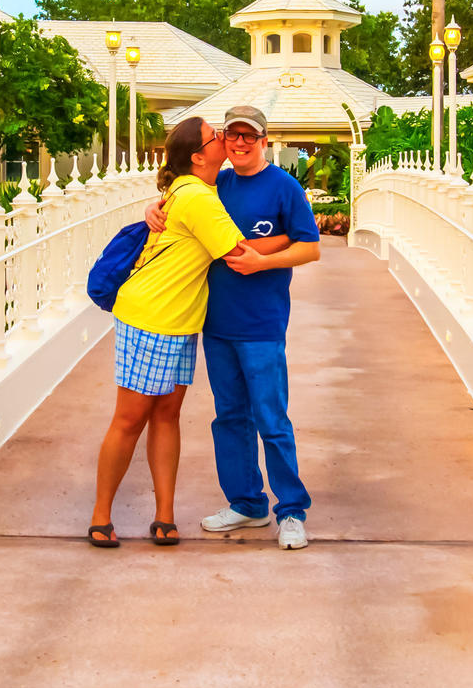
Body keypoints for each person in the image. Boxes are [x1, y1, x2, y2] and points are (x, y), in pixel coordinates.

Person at [87, 116, 279, 548]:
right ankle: (101, 515)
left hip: (179, 319)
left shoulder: (198, 190)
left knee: (167, 415)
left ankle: (165, 515)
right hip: (151, 315)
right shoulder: (197, 197)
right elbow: (236, 251)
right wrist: (295, 240)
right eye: (218, 137)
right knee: (130, 418)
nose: (228, 140)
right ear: (199, 156)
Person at [146, 105, 321, 550]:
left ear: (265, 141)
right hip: (216, 323)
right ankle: (247, 503)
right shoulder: (213, 184)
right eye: (233, 136)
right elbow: (176, 208)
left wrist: (268, 258)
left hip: (261, 325)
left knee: (271, 418)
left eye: (250, 137)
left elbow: (311, 248)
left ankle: (292, 511)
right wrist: (153, 207)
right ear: (222, 142)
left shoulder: (284, 187)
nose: (241, 144)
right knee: (230, 418)